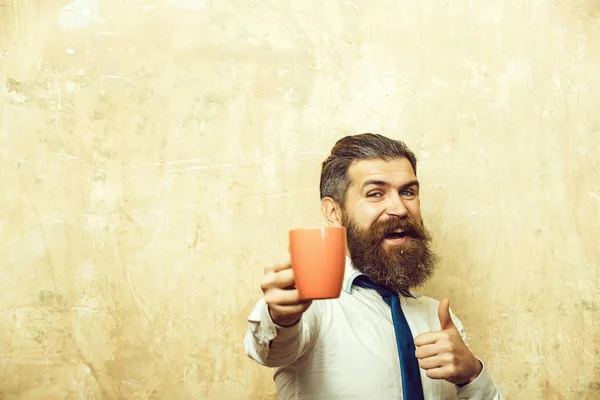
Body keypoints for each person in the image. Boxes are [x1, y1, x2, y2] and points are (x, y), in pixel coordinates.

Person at [243, 133, 504, 399]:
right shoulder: (312, 305)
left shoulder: (437, 318)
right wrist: (281, 317)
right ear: (334, 212)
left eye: (407, 192)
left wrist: (472, 375)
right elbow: (272, 348)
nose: (400, 208)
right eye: (375, 193)